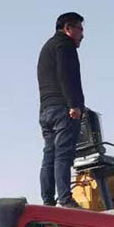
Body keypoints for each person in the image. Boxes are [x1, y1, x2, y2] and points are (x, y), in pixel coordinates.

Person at [37, 12, 85, 208]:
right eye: (80, 29)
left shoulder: (47, 47)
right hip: (63, 109)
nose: (82, 35)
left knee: (49, 155)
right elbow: (66, 75)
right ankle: (65, 199)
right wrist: (74, 104)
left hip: (46, 110)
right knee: (63, 154)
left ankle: (48, 201)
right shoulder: (65, 45)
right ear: (68, 28)